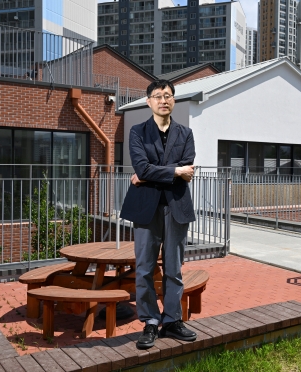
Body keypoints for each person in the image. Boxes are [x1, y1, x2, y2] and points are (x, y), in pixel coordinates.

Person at [120, 79, 197, 349]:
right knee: (144, 269)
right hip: (146, 208)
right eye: (157, 96)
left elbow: (187, 170)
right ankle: (151, 322)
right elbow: (143, 168)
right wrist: (174, 171)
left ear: (174, 100)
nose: (163, 100)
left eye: (168, 95)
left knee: (174, 269)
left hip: (176, 207)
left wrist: (150, 174)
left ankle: (172, 321)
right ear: (149, 101)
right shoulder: (138, 132)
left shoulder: (185, 133)